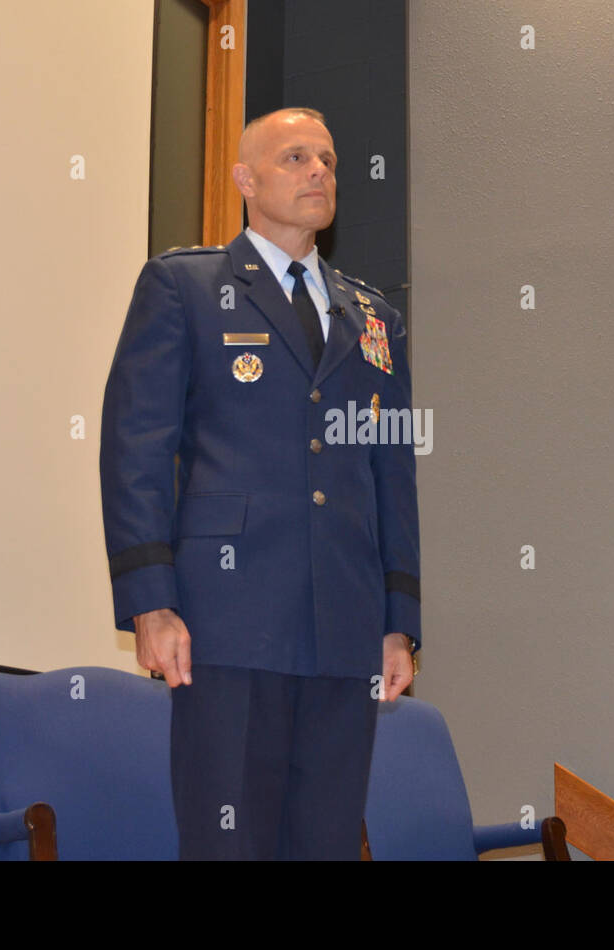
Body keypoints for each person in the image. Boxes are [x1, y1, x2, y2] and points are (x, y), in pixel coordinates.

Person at [99, 108, 420, 860]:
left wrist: (397, 617)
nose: (319, 172)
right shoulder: (182, 285)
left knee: (326, 843)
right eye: (297, 157)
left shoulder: (373, 316)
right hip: (228, 615)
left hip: (345, 624)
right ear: (245, 178)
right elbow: (136, 449)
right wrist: (151, 602)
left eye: (329, 161)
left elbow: (391, 471)